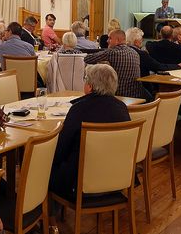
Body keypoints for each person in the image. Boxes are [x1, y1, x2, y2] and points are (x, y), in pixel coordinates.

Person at [49, 64, 130, 200]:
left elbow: (61, 150)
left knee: (42, 167)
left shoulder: (79, 109)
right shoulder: (121, 107)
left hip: (80, 182)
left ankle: (48, 216)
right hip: (117, 176)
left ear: (90, 86)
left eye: (85, 79)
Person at [85, 29, 151, 100]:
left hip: (118, 95)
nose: (107, 41)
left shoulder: (112, 53)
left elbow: (87, 59)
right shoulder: (135, 53)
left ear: (117, 40)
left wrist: (102, 63)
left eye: (110, 38)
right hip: (136, 95)